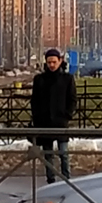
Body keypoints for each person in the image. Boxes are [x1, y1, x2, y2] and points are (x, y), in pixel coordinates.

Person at [30, 48, 77, 185]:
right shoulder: (39, 79)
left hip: (61, 121)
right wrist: (37, 117)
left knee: (64, 154)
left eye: (54, 62)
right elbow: (35, 100)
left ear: (60, 61)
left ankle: (66, 180)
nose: (51, 65)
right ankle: (51, 180)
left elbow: (72, 99)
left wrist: (67, 114)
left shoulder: (67, 79)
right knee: (48, 154)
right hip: (44, 122)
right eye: (49, 62)